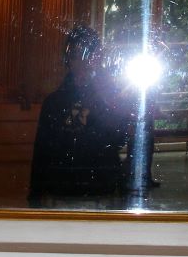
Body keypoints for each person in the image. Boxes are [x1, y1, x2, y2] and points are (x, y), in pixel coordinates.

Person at [28, 26, 129, 201]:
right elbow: (42, 151)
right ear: (68, 59)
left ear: (96, 58)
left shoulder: (110, 97)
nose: (82, 62)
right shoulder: (53, 102)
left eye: (87, 55)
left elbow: (119, 139)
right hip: (61, 190)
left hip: (101, 189)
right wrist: (35, 193)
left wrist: (102, 98)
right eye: (76, 55)